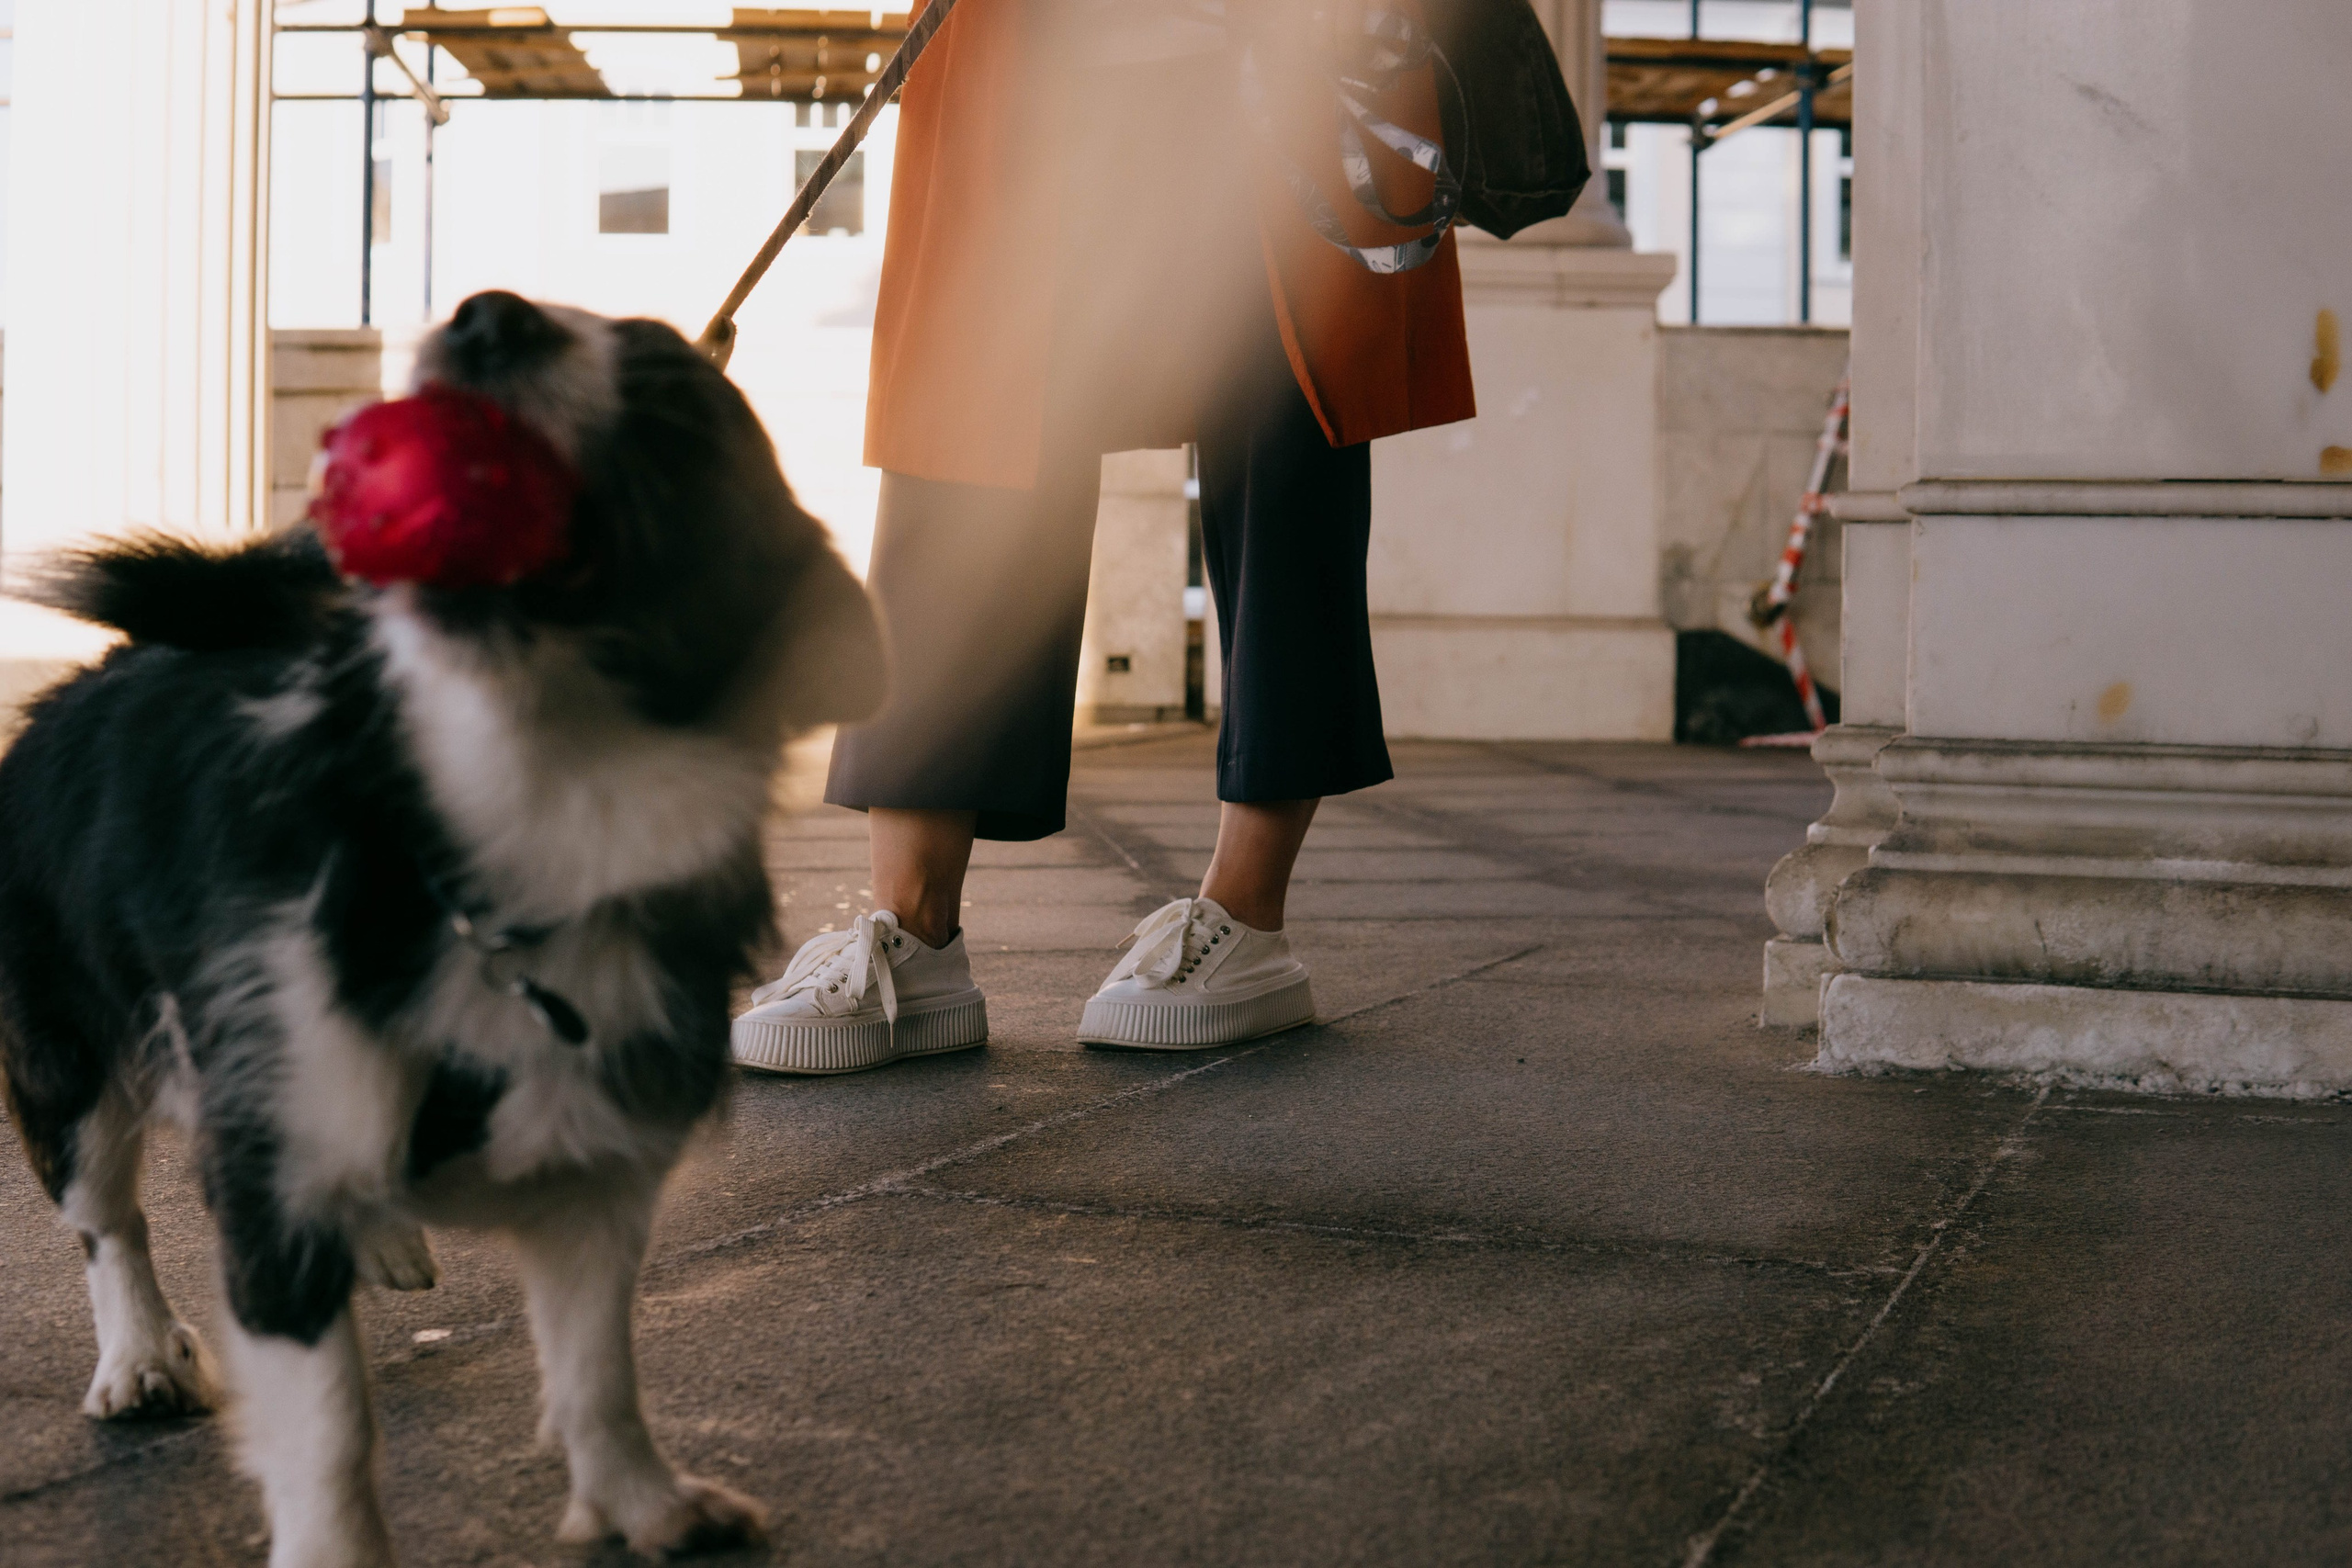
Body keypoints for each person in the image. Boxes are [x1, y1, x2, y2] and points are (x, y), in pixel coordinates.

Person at [731, 0, 1474, 1075]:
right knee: (967, 444)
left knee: (1286, 429)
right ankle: (912, 929)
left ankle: (1245, 919)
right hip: (1026, 62)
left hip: (1286, 65)